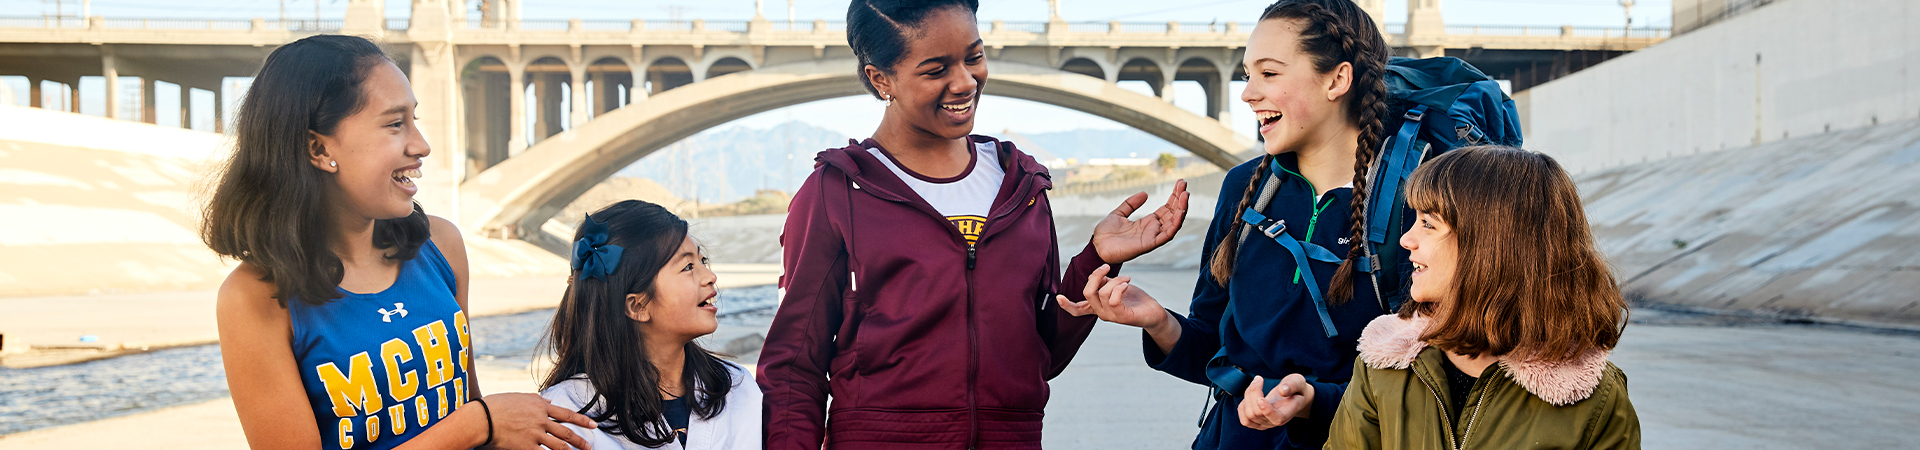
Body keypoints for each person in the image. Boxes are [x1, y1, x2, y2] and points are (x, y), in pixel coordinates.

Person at [755, 0, 1192, 448]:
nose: (965, 81)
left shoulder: (1022, 187)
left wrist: (1097, 260)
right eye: (935, 69)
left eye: (974, 57)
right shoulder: (838, 191)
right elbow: (794, 368)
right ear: (880, 78)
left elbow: (1041, 356)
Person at [205, 34, 595, 450]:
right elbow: (475, 420)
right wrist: (477, 424)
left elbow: (470, 405)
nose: (421, 145)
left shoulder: (441, 246)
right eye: (395, 124)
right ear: (318, 148)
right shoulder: (255, 299)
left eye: (415, 119)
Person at [1057, 1, 1395, 448]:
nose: (1248, 93)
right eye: (1246, 75)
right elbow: (1211, 350)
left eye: (1269, 74)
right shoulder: (1245, 189)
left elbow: (1434, 381)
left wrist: (1315, 401)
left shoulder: (1413, 199)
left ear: (1337, 79)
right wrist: (1157, 321)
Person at [1324, 146, 1640, 449]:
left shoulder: (1597, 400)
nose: (1406, 239)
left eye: (1428, 224)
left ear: (1493, 247)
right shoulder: (1384, 363)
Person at [537, 200, 762, 450]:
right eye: (688, 267)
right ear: (638, 306)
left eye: (703, 260)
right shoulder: (566, 412)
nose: (711, 277)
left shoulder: (736, 386)